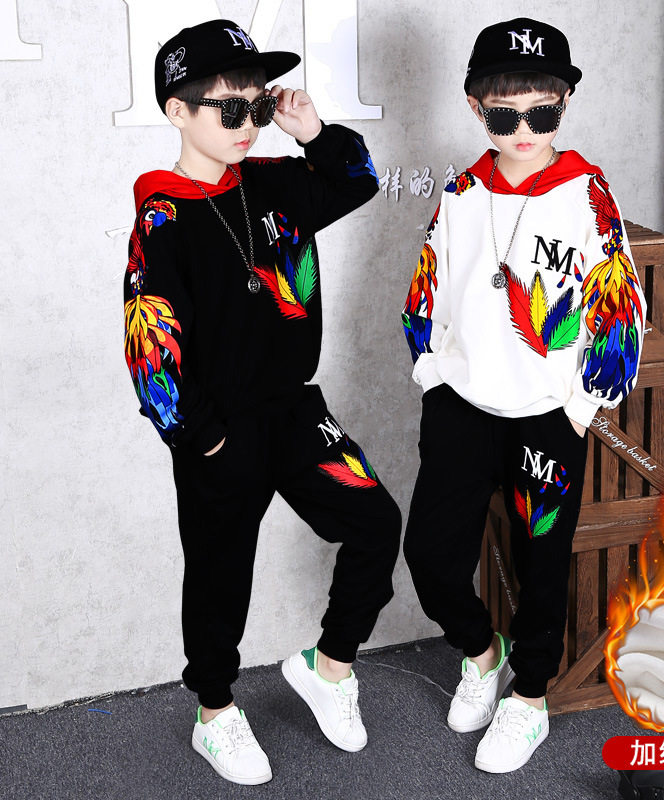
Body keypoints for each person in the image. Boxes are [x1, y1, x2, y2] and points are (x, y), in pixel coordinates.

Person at [123, 19, 401, 786]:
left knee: (375, 523)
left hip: (296, 411)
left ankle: (329, 668)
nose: (248, 123)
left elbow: (357, 180)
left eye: (257, 104)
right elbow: (150, 346)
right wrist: (202, 437)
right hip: (219, 430)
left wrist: (314, 134)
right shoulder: (162, 217)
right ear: (178, 111)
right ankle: (215, 714)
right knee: (220, 578)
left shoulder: (277, 183)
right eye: (228, 108)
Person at [401, 17, 646, 774]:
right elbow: (429, 283)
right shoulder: (461, 189)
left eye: (544, 113)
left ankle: (529, 695)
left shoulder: (587, 193)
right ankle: (483, 653)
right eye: (505, 117)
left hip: (546, 414)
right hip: (463, 404)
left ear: (565, 103)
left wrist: (583, 402)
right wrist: (432, 369)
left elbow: (622, 303)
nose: (525, 132)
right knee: (431, 554)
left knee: (543, 563)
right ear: (476, 108)